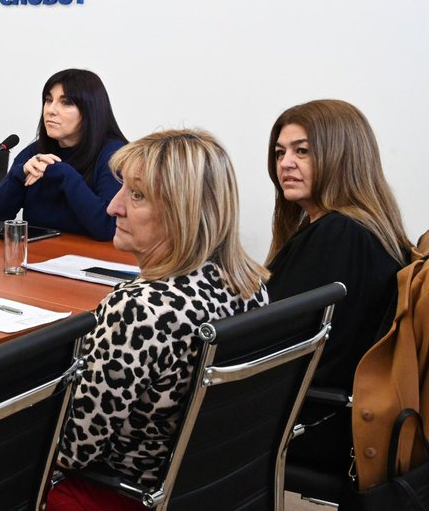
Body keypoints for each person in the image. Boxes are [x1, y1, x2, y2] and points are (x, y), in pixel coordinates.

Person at [48, 129, 269, 510]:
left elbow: (70, 450)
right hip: (208, 487)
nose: (113, 207)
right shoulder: (249, 284)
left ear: (183, 212)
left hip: (122, 493)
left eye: (137, 196)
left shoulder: (139, 310)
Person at [265, 99, 412, 475]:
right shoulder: (357, 231)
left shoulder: (339, 235)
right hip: (326, 416)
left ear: (342, 156)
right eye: (281, 152)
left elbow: (273, 346)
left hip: (308, 423)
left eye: (302, 151)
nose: (285, 163)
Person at [0, 69, 126, 239]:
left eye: (66, 102)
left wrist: (65, 174)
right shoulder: (36, 152)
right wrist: (18, 175)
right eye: (48, 100)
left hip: (92, 259)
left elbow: (109, 228)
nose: (50, 110)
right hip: (39, 256)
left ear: (90, 110)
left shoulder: (115, 156)